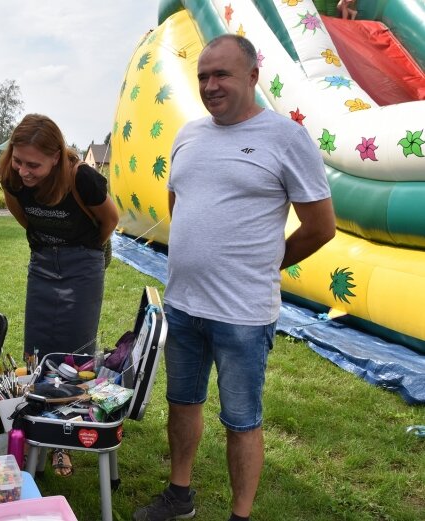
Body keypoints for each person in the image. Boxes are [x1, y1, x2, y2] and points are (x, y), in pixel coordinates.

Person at [132, 35, 335, 521]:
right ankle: (179, 496)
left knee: (242, 421)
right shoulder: (189, 135)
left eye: (221, 74)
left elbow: (320, 227)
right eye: (203, 76)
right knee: (182, 403)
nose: (210, 85)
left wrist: (265, 264)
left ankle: (240, 515)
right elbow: (180, 208)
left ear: (252, 76)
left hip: (243, 314)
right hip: (183, 306)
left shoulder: (286, 138)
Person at [0, 113, 119, 477]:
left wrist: (81, 251)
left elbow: (109, 220)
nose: (24, 171)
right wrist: (50, 245)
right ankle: (34, 429)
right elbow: (26, 219)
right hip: (43, 263)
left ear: (57, 157)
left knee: (76, 355)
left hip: (84, 265)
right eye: (18, 161)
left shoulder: (83, 178)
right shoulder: (10, 176)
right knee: (36, 350)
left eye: (34, 165)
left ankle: (63, 442)